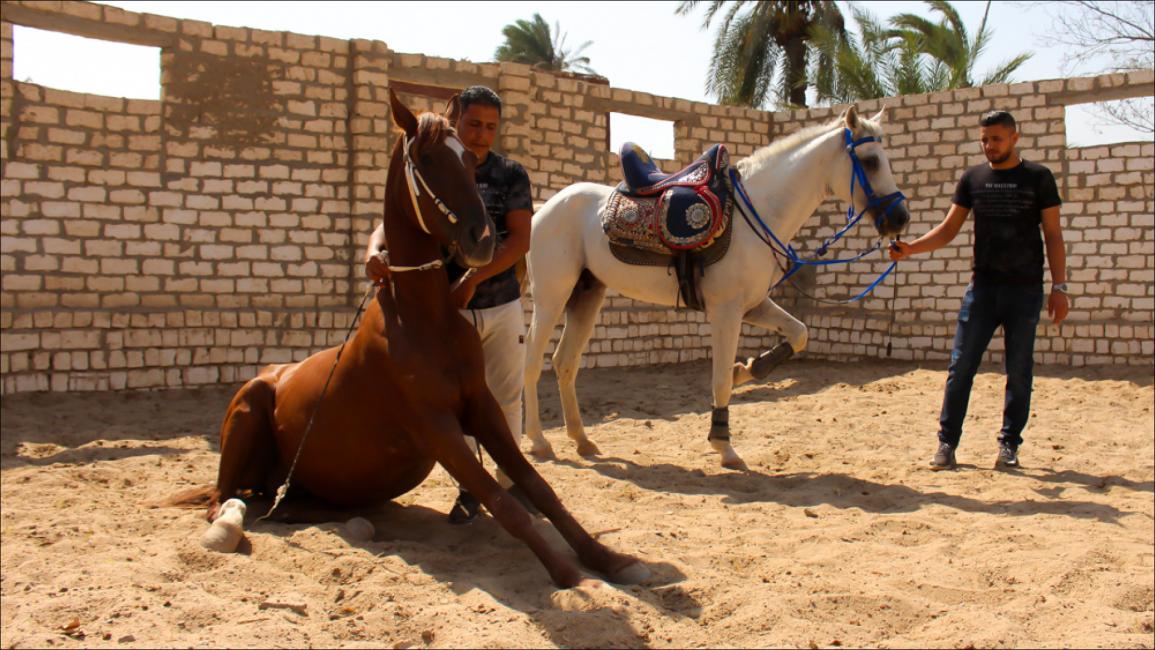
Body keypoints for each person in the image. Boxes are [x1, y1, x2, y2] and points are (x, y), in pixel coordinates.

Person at [365, 86, 533, 522]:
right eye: (474, 124)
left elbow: (519, 240)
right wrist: (371, 249)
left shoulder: (510, 175)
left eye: (491, 127)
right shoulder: (436, 159)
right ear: (457, 122)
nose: (481, 135)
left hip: (499, 304)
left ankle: (512, 485)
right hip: (446, 310)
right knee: (463, 406)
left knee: (507, 398)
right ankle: (471, 490)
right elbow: (393, 218)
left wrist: (475, 278)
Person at [889, 109, 1069, 471]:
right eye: (984, 139)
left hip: (1026, 291)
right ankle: (946, 444)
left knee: (1019, 371)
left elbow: (1052, 234)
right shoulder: (972, 178)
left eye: (996, 139)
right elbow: (948, 229)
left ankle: (1008, 446)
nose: (989, 146)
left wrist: (1060, 286)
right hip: (982, 290)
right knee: (961, 367)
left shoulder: (1039, 178)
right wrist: (911, 248)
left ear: (1015, 138)